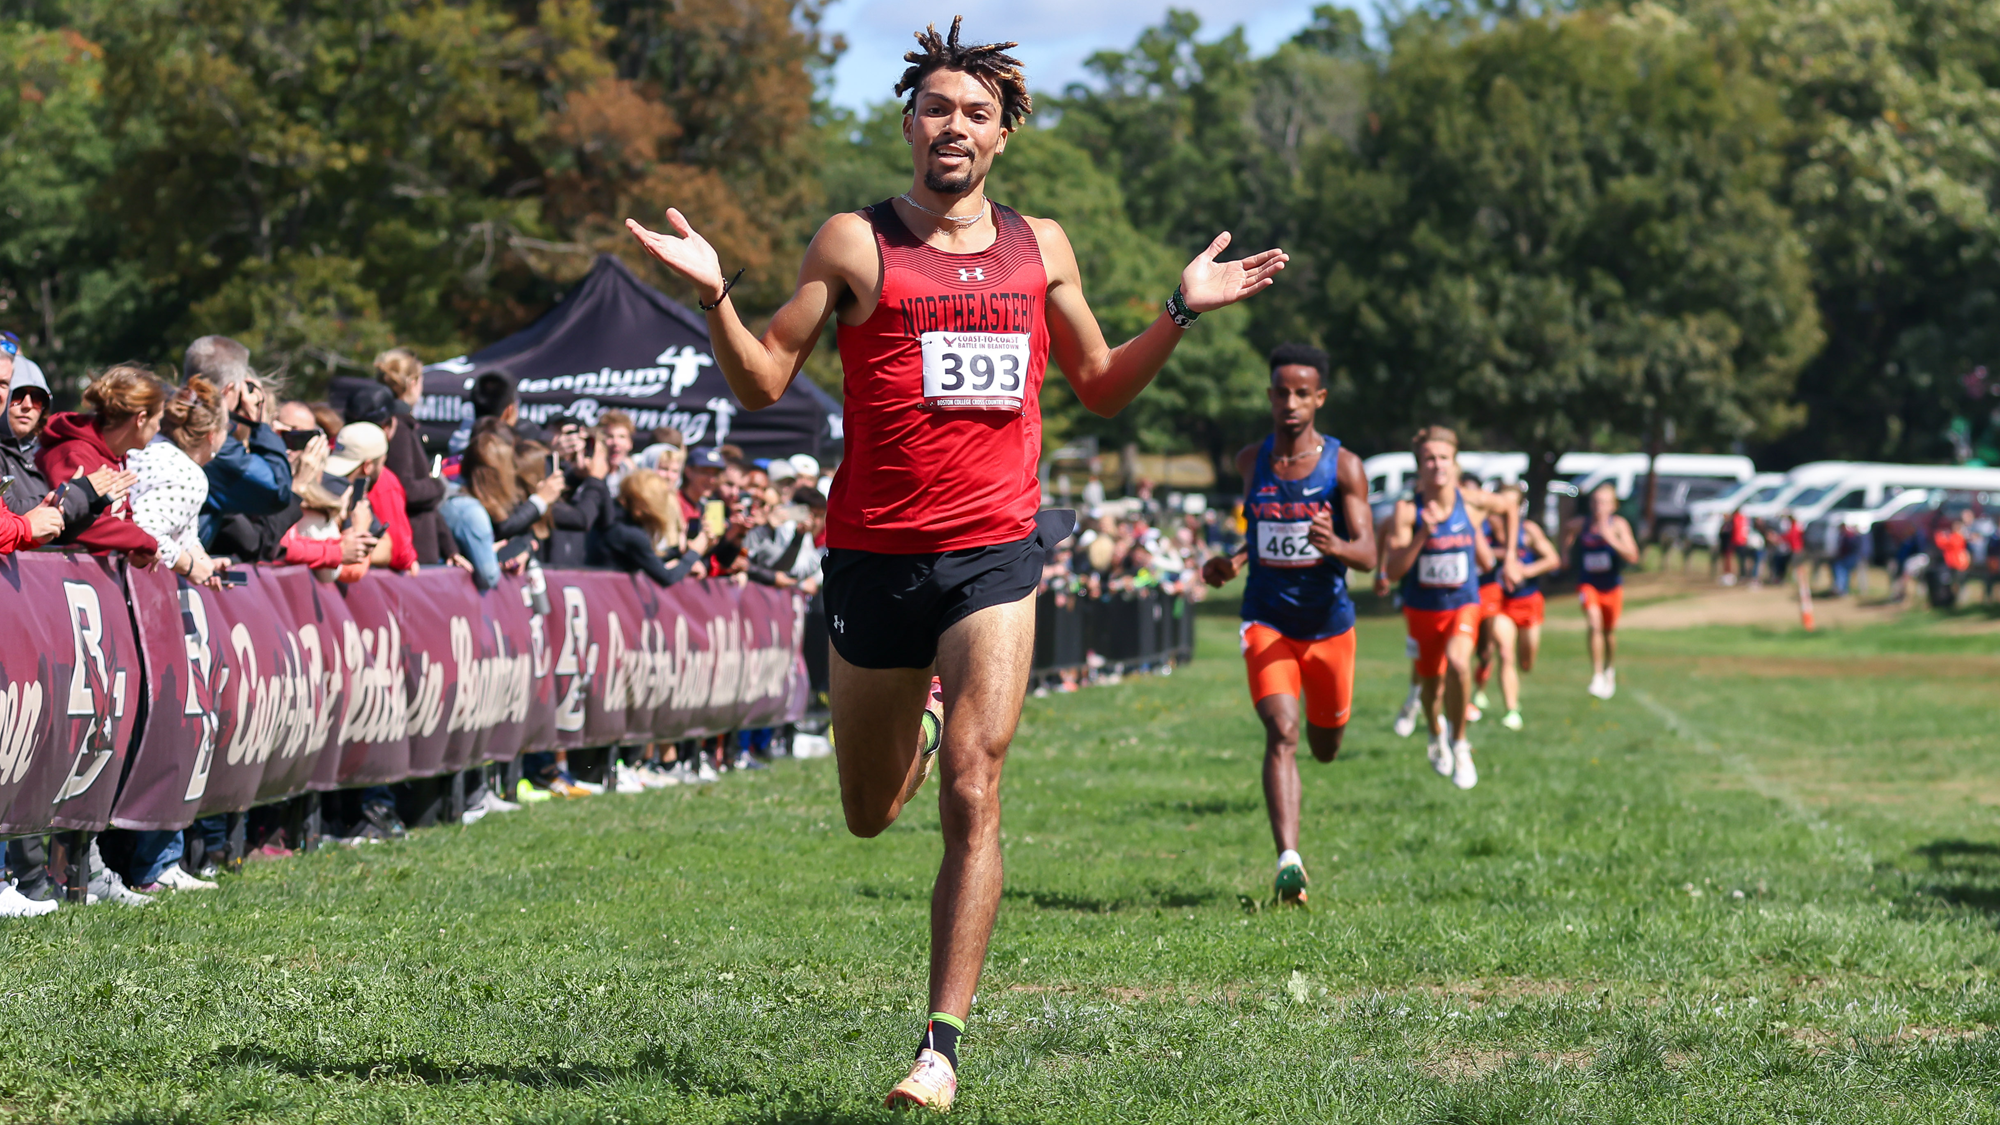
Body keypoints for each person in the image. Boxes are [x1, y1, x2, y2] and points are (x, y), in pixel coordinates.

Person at [624, 16, 1286, 1110]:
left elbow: (1101, 387)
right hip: (873, 557)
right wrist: (715, 296)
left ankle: (939, 1047)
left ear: (1002, 135)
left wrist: (1177, 311)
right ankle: (920, 724)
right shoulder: (852, 242)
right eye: (937, 107)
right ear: (908, 121)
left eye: (976, 113)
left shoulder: (1045, 247)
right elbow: (758, 382)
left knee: (976, 789)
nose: (953, 126)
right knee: (871, 813)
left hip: (995, 551)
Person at [1199, 344, 1372, 907]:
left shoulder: (1344, 466)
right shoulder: (1252, 461)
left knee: (1323, 746)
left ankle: (1295, 837)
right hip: (1267, 619)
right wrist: (1231, 562)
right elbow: (1259, 535)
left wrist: (1335, 544)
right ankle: (1289, 862)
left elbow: (1368, 555)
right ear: (1270, 395)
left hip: (1329, 626)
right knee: (1282, 731)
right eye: (1281, 392)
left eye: (1303, 393)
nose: (1290, 403)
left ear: (1319, 398)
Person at [1382, 426, 1496, 790]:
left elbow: (1510, 505)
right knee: (1430, 689)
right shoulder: (1406, 511)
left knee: (1460, 664)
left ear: (1455, 462)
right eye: (1430, 459)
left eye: (1444, 458)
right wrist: (1422, 536)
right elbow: (1394, 570)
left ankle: (1461, 745)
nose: (1438, 465)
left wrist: (1505, 559)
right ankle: (1435, 734)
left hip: (1464, 602)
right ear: (1420, 465)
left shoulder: (1472, 501)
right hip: (1423, 609)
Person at [38, 364, 175, 561]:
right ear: (141, 419)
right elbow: (74, 524)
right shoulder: (74, 453)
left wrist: (133, 550)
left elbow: (120, 516)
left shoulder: (116, 455)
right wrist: (145, 542)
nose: (159, 428)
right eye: (158, 419)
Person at [0, 353, 127, 540]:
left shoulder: (32, 457)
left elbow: (55, 536)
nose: (27, 405)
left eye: (37, 398)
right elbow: (13, 514)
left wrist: (96, 502)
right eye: (17, 395)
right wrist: (79, 492)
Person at [182, 336, 292, 547]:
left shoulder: (161, 414)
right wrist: (260, 424)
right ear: (227, 390)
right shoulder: (208, 439)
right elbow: (276, 491)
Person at [1490, 485, 1561, 730]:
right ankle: (1511, 710)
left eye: (1513, 504)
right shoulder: (1484, 531)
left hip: (1528, 602)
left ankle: (1518, 683)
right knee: (1505, 653)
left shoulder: (1528, 531)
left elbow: (1553, 559)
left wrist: (1526, 570)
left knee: (1526, 661)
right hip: (1499, 604)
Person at [372, 350, 453, 565]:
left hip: (412, 546)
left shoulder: (400, 426)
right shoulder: (398, 429)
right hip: (411, 549)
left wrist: (450, 549)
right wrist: (438, 485)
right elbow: (405, 488)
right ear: (413, 382)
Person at [1562, 481, 1641, 699]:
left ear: (1613, 506)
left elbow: (1633, 556)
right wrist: (1565, 553)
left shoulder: (1618, 525)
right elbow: (1568, 528)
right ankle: (1596, 674)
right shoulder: (1583, 524)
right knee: (1594, 623)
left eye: (1605, 502)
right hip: (1588, 583)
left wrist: (1611, 540)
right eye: (1596, 502)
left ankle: (1609, 669)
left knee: (1609, 631)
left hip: (1612, 586)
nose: (1599, 506)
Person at [603, 469, 713, 586]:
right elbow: (667, 578)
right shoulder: (631, 534)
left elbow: (649, 558)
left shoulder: (618, 522)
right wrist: (695, 552)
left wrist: (679, 551)